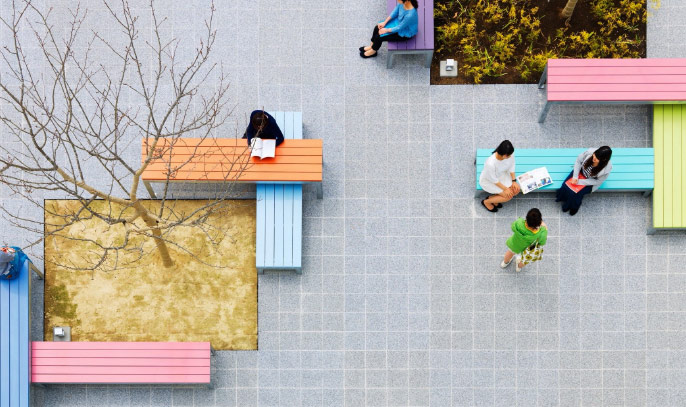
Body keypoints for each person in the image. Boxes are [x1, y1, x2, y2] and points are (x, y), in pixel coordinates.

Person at [556, 146, 613, 216]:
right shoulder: (589, 153)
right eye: (595, 155)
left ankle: (574, 207)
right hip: (580, 173)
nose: (594, 158)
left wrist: (579, 182)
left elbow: (597, 182)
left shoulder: (606, 169)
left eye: (597, 158)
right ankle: (563, 198)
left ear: (603, 160)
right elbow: (578, 161)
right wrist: (575, 176)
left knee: (576, 194)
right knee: (565, 185)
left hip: (590, 182)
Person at [479, 140, 521, 212]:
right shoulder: (490, 163)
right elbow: (493, 179)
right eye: (509, 155)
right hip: (489, 181)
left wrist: (514, 181)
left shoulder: (510, 154)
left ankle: (493, 198)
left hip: (502, 175)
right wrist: (505, 189)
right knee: (508, 196)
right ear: (505, 155)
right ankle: (486, 202)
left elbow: (512, 165)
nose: (511, 156)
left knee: (516, 190)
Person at [501, 208, 547, 272]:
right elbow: (542, 242)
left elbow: (513, 226)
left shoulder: (519, 222)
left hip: (515, 243)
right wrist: (545, 228)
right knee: (524, 260)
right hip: (527, 248)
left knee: (510, 252)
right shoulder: (541, 233)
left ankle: (505, 263)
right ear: (539, 222)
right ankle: (518, 267)